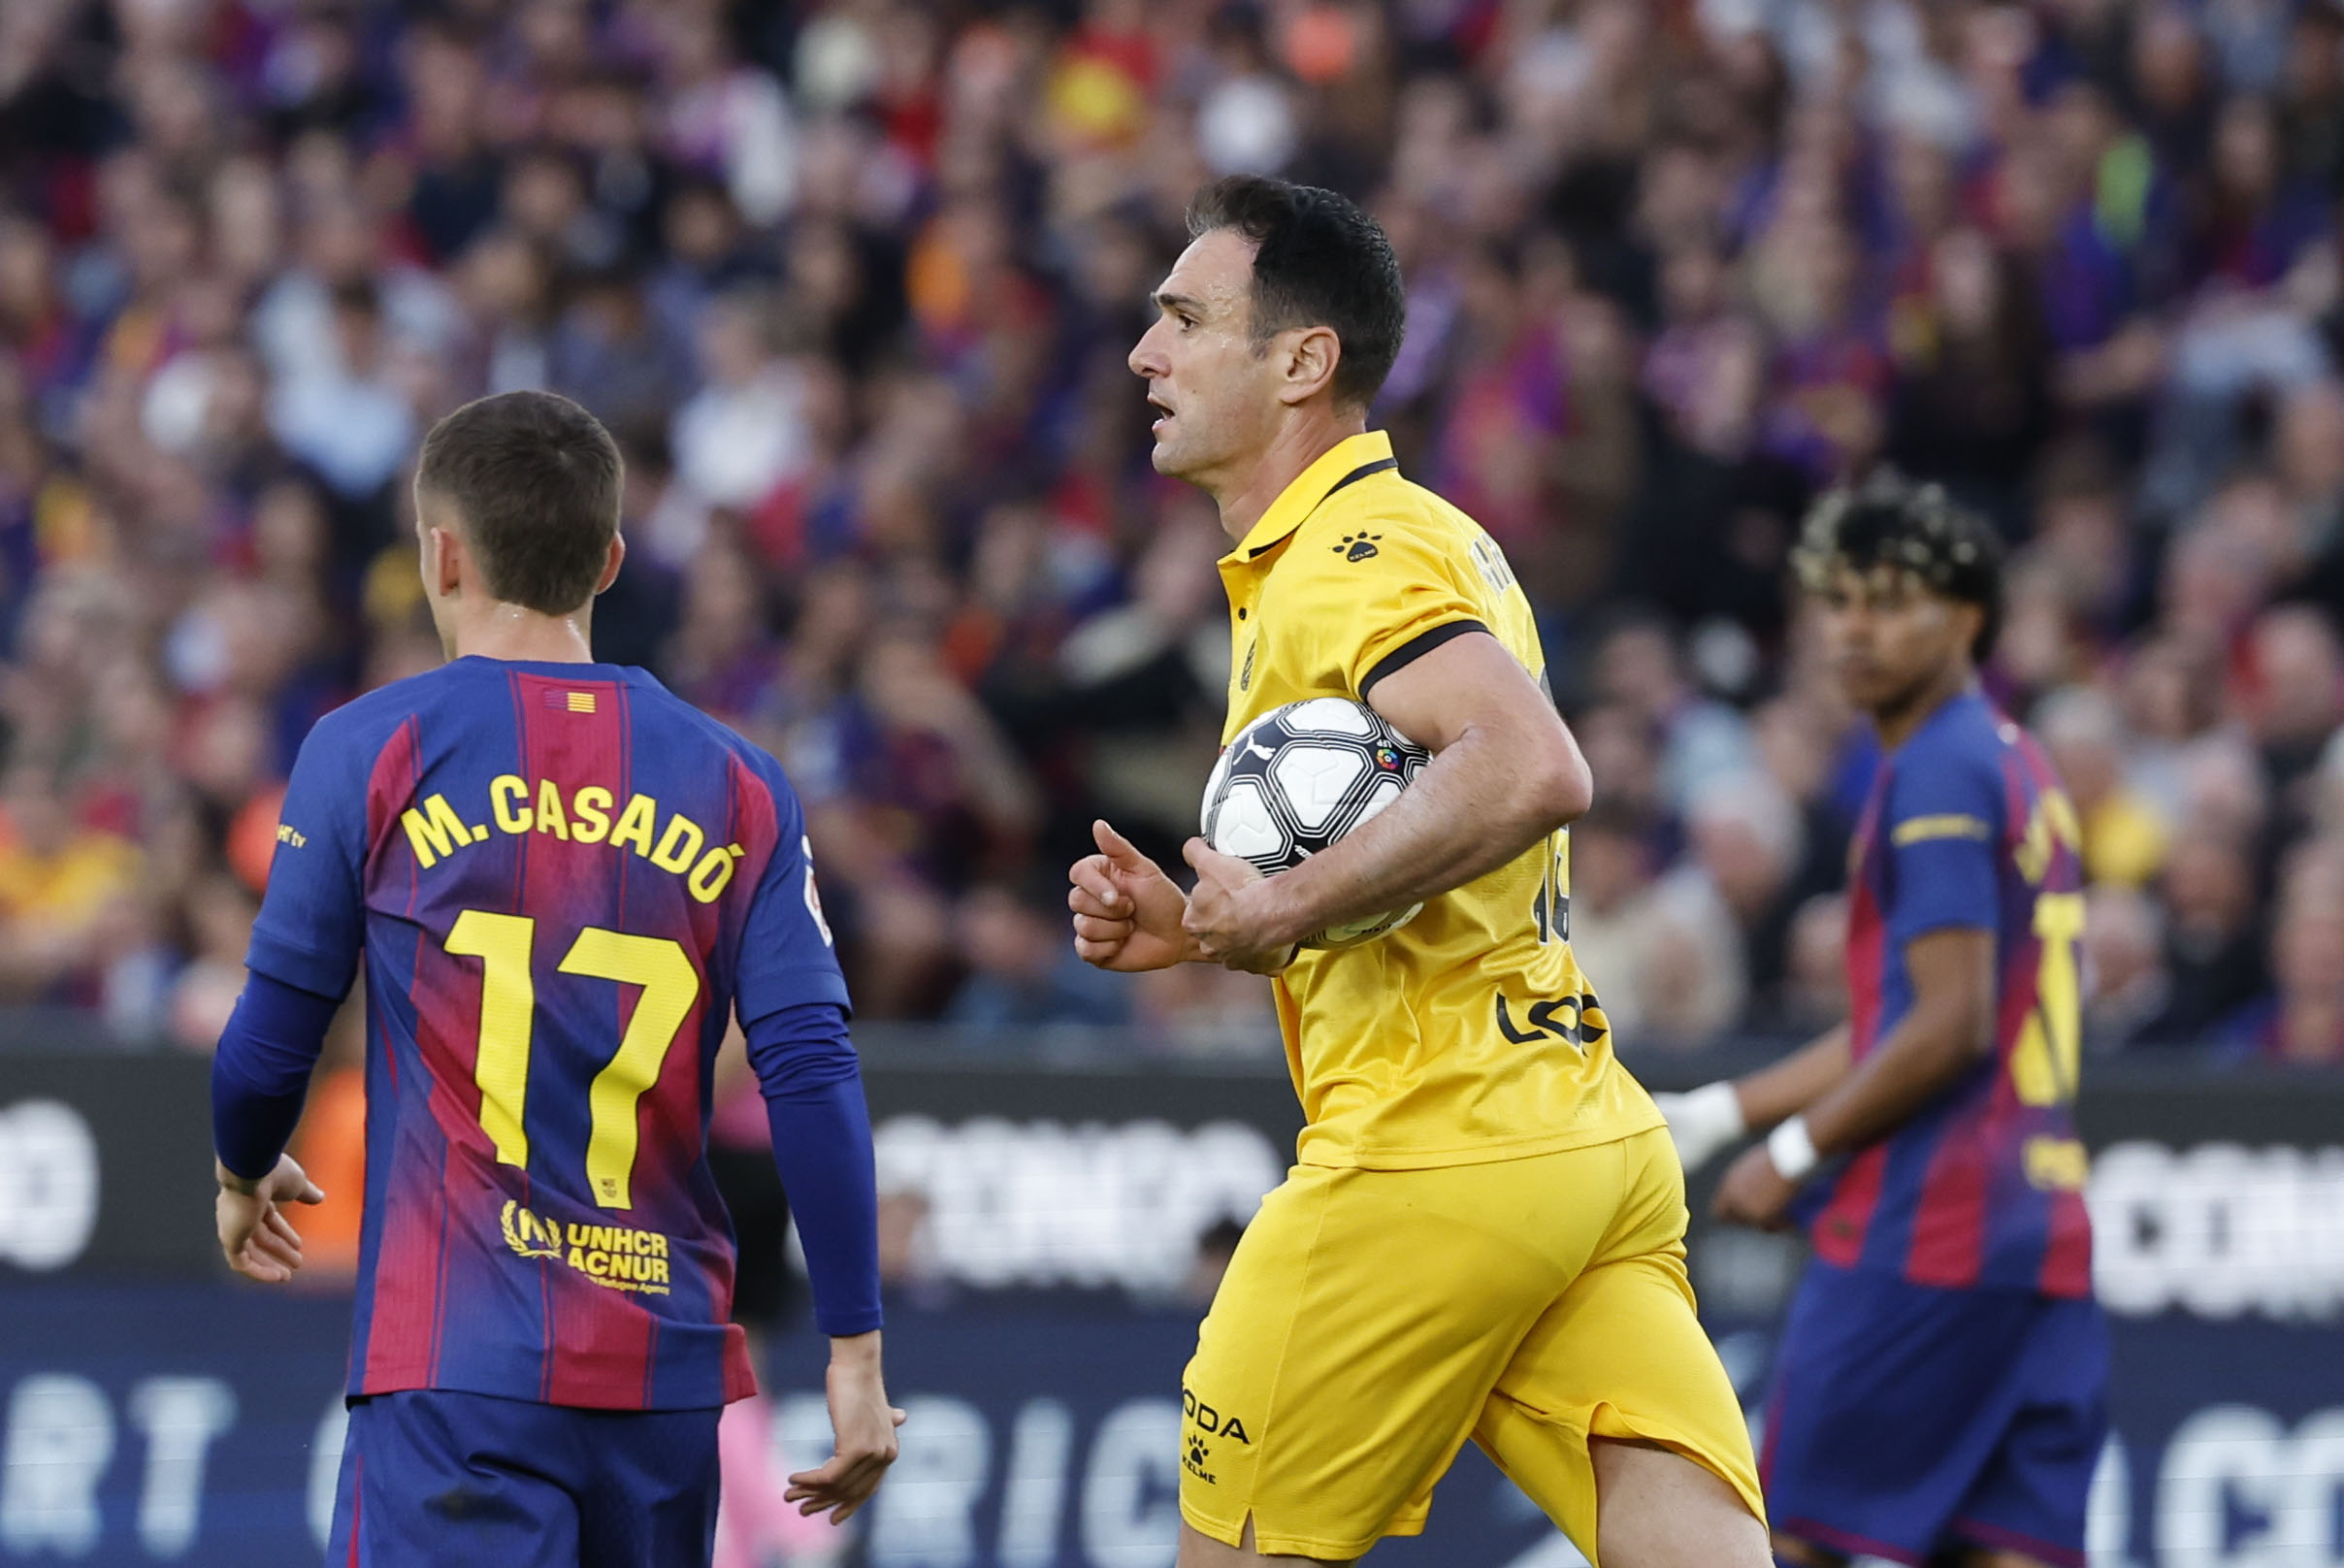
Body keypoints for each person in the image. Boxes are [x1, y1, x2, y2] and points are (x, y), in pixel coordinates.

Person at [1066, 176, 1769, 1568]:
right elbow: (1435, 852)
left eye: (1185, 320)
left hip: (1429, 1150)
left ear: (1302, 362)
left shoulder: (1344, 562)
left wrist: (1278, 904)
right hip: (1580, 1143)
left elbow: (1533, 767)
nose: (1146, 355)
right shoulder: (1426, 536)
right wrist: (1216, 929)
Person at [206, 390, 901, 1566]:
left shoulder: (370, 746)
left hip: (456, 1369)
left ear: (442, 550)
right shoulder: (741, 784)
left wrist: (242, 1161)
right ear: (612, 559)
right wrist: (856, 1351)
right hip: (662, 1379)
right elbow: (812, 1069)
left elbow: (272, 1037)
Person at [1660, 472, 2105, 1568]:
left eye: (1889, 599)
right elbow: (1900, 1017)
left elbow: (1943, 1025)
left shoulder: (1936, 771)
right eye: (1840, 600)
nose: (1854, 628)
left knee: (1791, 1536)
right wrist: (1718, 1109)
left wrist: (1796, 1150)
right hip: (2039, 1233)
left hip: (1924, 1227)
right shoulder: (2011, 757)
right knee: (2000, 1548)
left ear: (1964, 615)